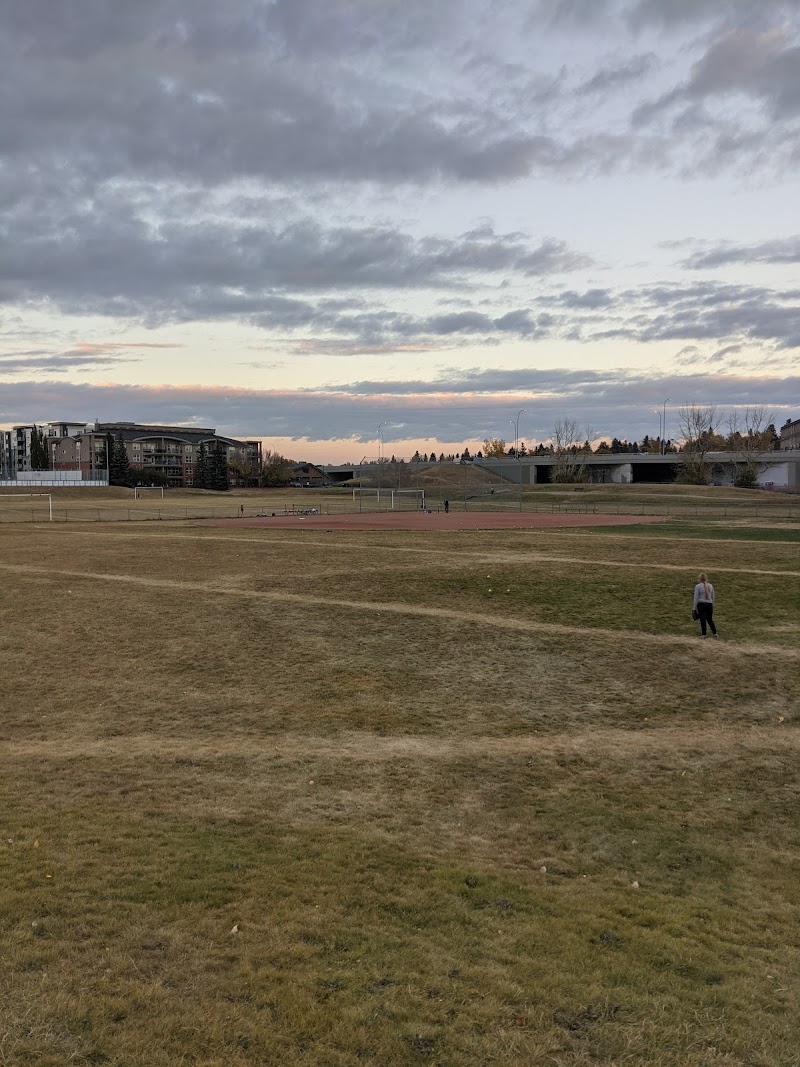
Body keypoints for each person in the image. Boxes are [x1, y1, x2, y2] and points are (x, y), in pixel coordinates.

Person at [693, 572, 718, 638]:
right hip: (709, 604)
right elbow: (713, 596)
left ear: (699, 579)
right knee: (710, 619)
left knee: (703, 619)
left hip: (701, 604)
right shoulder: (710, 586)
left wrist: (694, 607)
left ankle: (704, 634)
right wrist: (712, 603)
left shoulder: (698, 586)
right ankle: (715, 633)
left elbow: (696, 597)